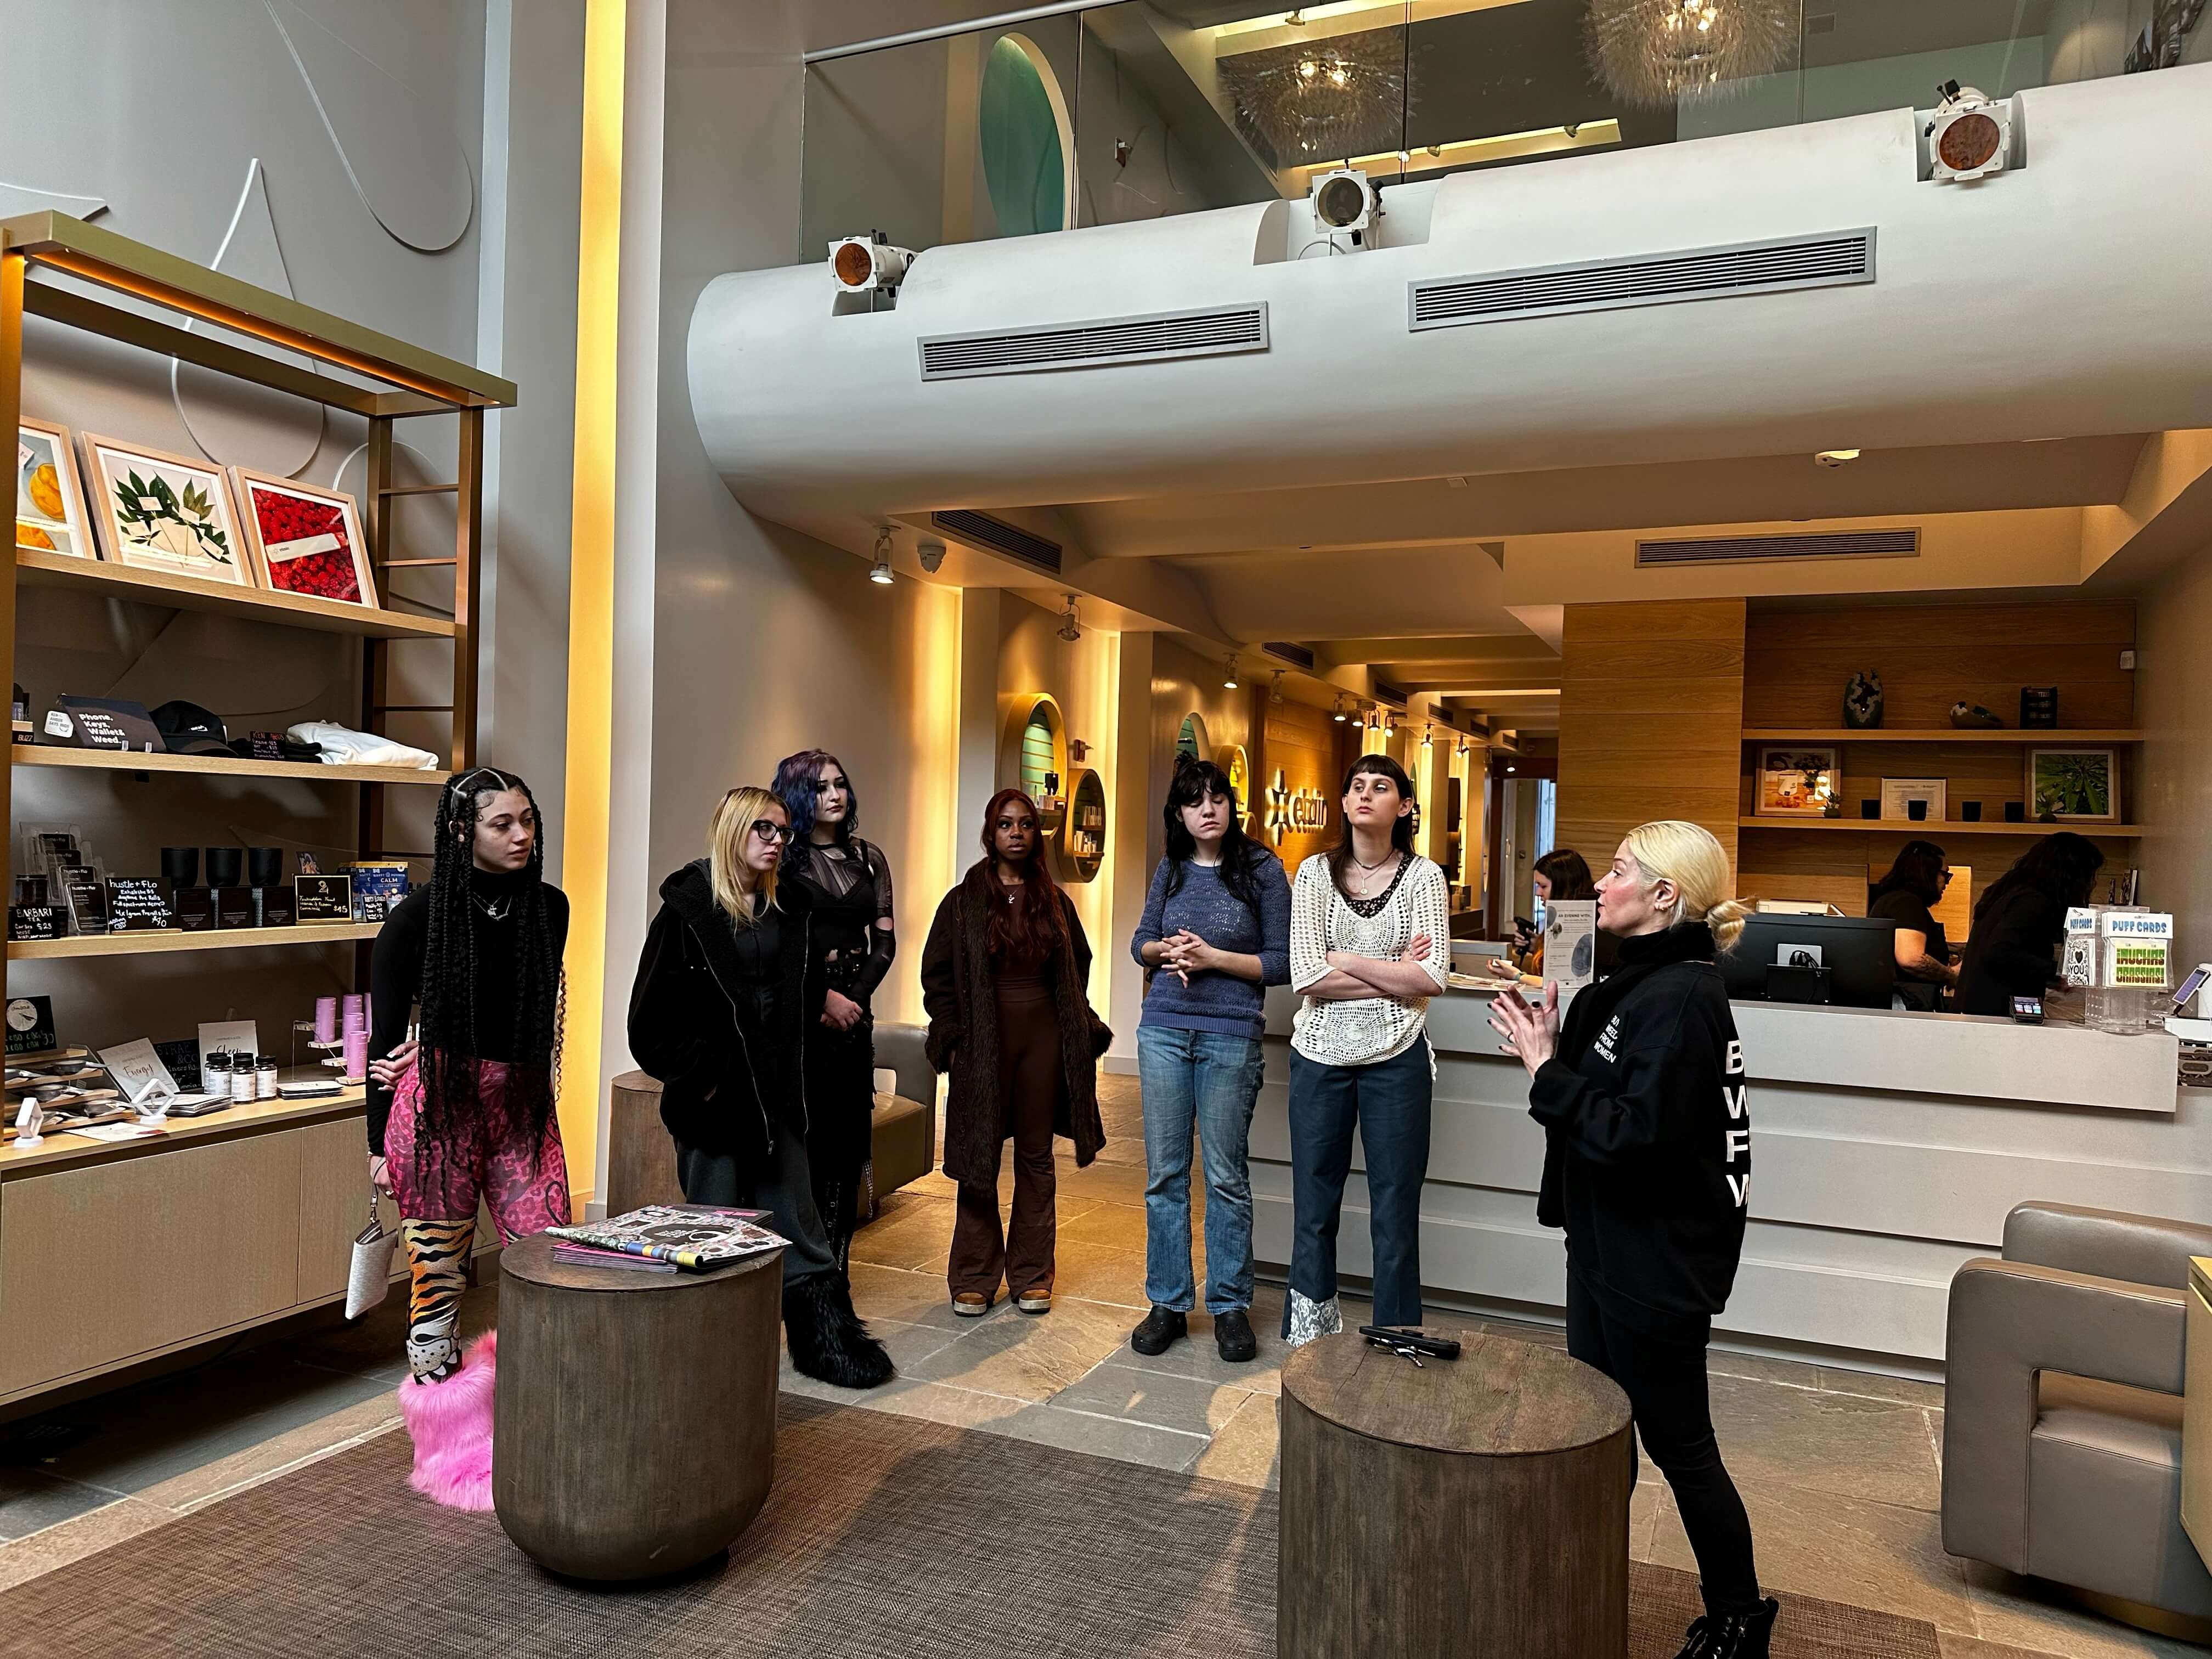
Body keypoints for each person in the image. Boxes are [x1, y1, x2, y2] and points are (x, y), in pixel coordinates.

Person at [1487, 820, 1778, 1659]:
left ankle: (1737, 1620)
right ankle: (1581, 1573)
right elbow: (1604, 1098)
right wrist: (1551, 1044)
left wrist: (1546, 1068)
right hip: (1607, 1243)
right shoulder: (1641, 984)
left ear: (1664, 897)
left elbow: (1632, 1134)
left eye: (1617, 872)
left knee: (1680, 1445)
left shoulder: (1683, 996)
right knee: (1596, 1422)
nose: (1599, 886)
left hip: (1655, 1261)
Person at [628, 785, 893, 1389]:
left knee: (800, 1226)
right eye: (765, 831)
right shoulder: (688, 911)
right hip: (715, 1107)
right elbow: (648, 1024)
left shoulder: (790, 907)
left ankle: (825, 1344)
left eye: (783, 832)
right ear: (733, 832)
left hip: (781, 1101)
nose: (778, 843)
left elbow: (797, 999)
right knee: (719, 1233)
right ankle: (716, 1369)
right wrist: (708, 1083)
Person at [366, 767, 569, 1385]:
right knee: (437, 1291)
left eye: (527, 821)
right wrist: (376, 1147)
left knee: (552, 1264)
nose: (521, 836)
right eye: (501, 824)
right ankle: (445, 1439)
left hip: (521, 1114)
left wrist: (428, 1041)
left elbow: (526, 1016)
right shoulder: (415, 918)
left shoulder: (549, 909)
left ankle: (538, 1422)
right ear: (462, 831)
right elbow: (384, 1037)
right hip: (436, 1121)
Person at [921, 789, 1111, 1317]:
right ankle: (975, 1276)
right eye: (1006, 824)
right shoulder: (962, 903)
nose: (1016, 833)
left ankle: (1031, 1274)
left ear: (1036, 833)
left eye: (1026, 824)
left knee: (1034, 1156)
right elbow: (936, 976)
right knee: (979, 1156)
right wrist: (953, 1037)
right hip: (983, 1043)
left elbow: (1078, 964)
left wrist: (1074, 1025)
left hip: (1043, 1041)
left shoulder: (1054, 901)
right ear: (991, 831)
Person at [1282, 754, 1451, 1346]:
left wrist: (1347, 961)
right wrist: (1392, 968)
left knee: (1395, 1212)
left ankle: (1397, 1338)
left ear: (1404, 806)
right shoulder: (1311, 875)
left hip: (1398, 1056)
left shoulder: (1426, 878)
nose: (1365, 795)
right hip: (1319, 1054)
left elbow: (1432, 976)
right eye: (1356, 785)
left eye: (1381, 787)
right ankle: (1311, 1341)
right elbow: (1304, 974)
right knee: (1314, 1206)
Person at [1127, 758, 1292, 1363]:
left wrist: (1214, 958)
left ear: (1231, 805)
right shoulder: (1171, 868)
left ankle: (1229, 1307)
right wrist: (1163, 949)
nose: (1208, 809)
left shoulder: (1263, 871)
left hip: (1230, 1035)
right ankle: (1169, 1302)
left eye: (1218, 797)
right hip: (1165, 1029)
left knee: (1226, 1176)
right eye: (1195, 801)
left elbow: (1283, 963)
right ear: (1179, 813)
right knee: (1165, 1174)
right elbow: (1138, 941)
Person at [772, 749, 896, 1266]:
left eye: (841, 784)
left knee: (849, 1144)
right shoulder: (783, 859)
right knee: (808, 1141)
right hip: (801, 1014)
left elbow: (885, 943)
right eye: (822, 787)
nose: (836, 795)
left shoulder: (870, 858)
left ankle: (838, 1263)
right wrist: (823, 999)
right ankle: (805, 1260)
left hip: (853, 1017)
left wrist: (853, 1002)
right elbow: (775, 940)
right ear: (800, 796)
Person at [1956, 832, 2105, 1017]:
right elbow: (2001, 950)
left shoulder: (2008, 892)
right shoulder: (2033, 901)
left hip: (1977, 1005)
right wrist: (2057, 974)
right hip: (1998, 1010)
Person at [1489, 846, 1620, 987]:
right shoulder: (1573, 915)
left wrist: (1517, 976)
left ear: (1564, 886)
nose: (1538, 893)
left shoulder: (1581, 920)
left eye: (1543, 886)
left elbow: (1562, 984)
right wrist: (1537, 946)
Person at [1867, 840, 1957, 1011]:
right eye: (1945, 875)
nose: (1947, 882)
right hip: (1904, 1008)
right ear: (1928, 872)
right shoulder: (1906, 903)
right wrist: (1951, 975)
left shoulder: (1892, 900)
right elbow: (1912, 959)